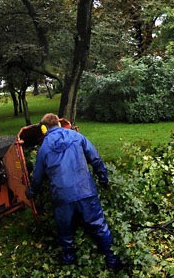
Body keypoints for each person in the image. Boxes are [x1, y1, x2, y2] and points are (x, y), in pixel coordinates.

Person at [26, 113, 120, 270]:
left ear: (44, 128)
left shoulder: (44, 148)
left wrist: (31, 192)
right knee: (99, 226)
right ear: (59, 124)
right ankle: (112, 261)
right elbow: (95, 158)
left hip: (62, 197)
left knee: (65, 232)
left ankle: (69, 263)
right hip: (86, 191)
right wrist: (103, 179)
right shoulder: (76, 136)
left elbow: (37, 177)